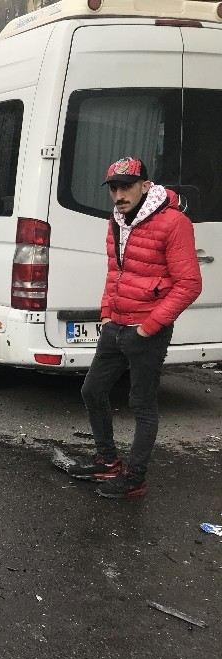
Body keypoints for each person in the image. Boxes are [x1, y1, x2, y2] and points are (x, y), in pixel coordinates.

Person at [73, 157, 202, 499]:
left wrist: (149, 326)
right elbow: (114, 273)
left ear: (146, 185)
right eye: (114, 188)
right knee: (92, 390)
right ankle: (107, 461)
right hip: (115, 325)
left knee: (142, 404)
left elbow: (189, 284)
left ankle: (135, 478)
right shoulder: (116, 221)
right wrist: (105, 314)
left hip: (147, 330)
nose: (119, 194)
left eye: (126, 186)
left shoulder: (174, 223)